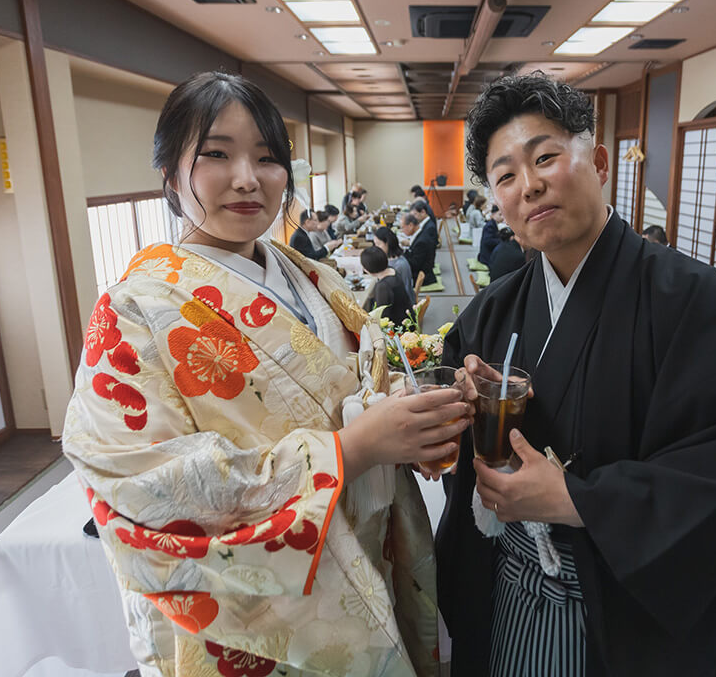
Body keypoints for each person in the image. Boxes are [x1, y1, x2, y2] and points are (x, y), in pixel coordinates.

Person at [62, 72, 468, 677]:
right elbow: (146, 490)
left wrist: (407, 419)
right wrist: (352, 450)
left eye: (267, 157)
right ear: (170, 174)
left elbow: (353, 387)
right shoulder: (132, 313)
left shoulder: (309, 274)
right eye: (217, 154)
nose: (248, 177)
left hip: (367, 554)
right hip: (269, 620)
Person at [436, 73, 716, 676]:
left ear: (598, 163)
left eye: (545, 157)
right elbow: (461, 444)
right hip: (507, 590)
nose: (529, 184)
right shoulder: (493, 311)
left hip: (621, 619)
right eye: (505, 175)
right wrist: (461, 410)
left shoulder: (698, 303)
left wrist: (580, 500)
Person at [362, 246, 414, 326]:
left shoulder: (383, 286)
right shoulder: (392, 270)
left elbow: (381, 317)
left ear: (368, 269)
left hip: (399, 328)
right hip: (407, 319)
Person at [374, 225, 414, 296]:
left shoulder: (399, 265)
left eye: (378, 244)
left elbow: (405, 291)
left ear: (387, 243)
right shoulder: (391, 259)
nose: (376, 248)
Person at [400, 213, 438, 288]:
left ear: (410, 225)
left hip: (422, 277)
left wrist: (399, 254)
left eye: (402, 227)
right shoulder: (420, 234)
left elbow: (414, 265)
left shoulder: (421, 242)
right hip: (420, 271)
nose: (402, 231)